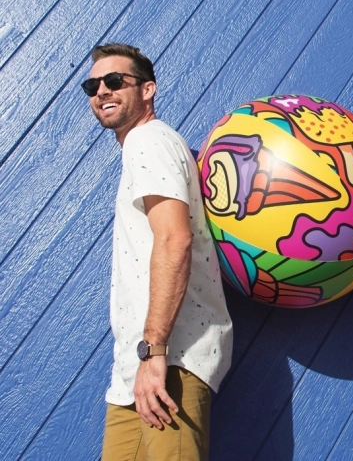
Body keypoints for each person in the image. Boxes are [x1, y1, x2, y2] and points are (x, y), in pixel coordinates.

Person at [82, 43, 233, 460]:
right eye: (92, 86)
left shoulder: (147, 140)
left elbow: (174, 239)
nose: (102, 91)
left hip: (170, 357)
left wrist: (154, 350)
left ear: (147, 89)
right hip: (138, 367)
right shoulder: (143, 146)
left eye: (115, 81)